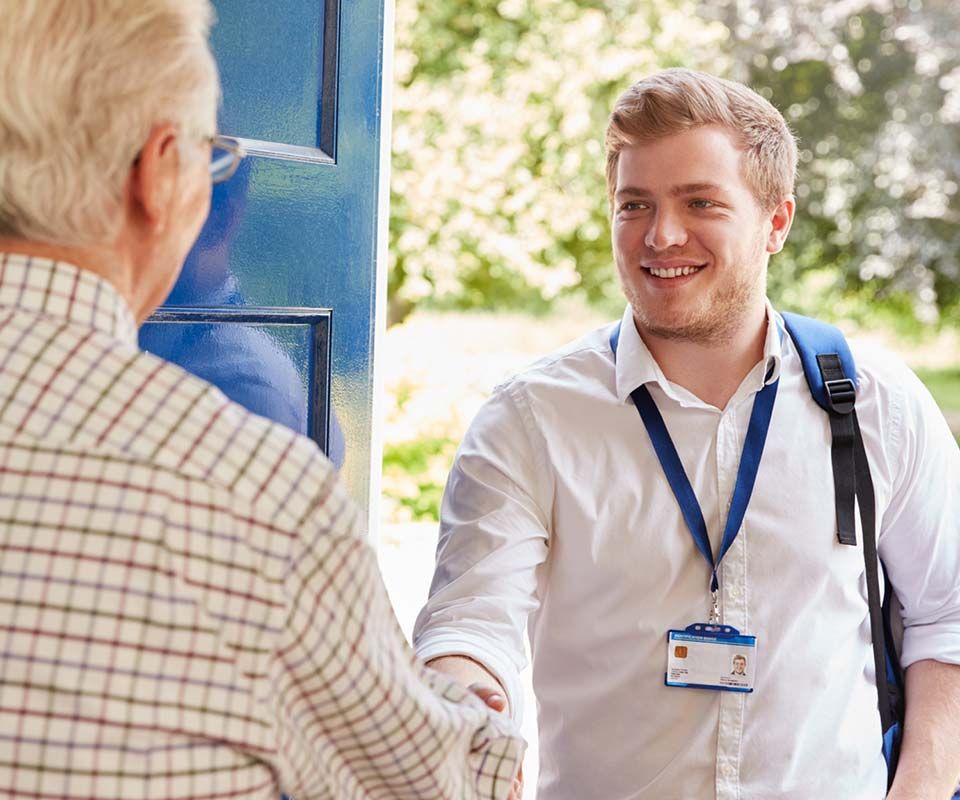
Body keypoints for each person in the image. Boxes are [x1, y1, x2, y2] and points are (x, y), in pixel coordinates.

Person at [0, 2, 523, 798]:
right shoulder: (249, 490)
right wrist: (468, 719)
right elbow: (434, 785)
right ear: (160, 170)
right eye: (210, 157)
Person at [414, 68, 960, 799]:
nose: (660, 235)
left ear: (776, 222)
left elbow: (948, 619)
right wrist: (465, 705)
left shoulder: (877, 403)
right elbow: (470, 621)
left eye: (700, 202)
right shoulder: (531, 418)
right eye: (633, 204)